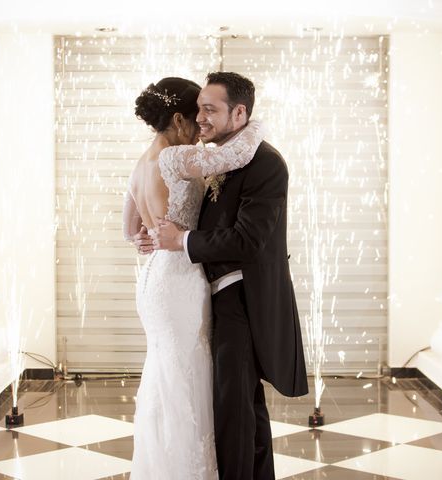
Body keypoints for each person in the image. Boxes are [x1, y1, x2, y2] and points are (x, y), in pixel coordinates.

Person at [152, 72, 309, 480]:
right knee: (242, 408)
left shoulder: (266, 163)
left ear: (239, 113)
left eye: (210, 109)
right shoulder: (223, 157)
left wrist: (182, 241)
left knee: (234, 410)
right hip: (218, 297)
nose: (200, 118)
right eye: (198, 108)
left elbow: (247, 240)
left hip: (245, 300)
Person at [123, 76, 264, 480]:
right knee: (187, 375)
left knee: (166, 374)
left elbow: (130, 231)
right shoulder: (175, 157)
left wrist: (146, 238)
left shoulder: (140, 163)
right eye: (198, 113)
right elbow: (233, 157)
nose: (202, 124)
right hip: (180, 277)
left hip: (154, 278)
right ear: (179, 119)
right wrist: (255, 124)